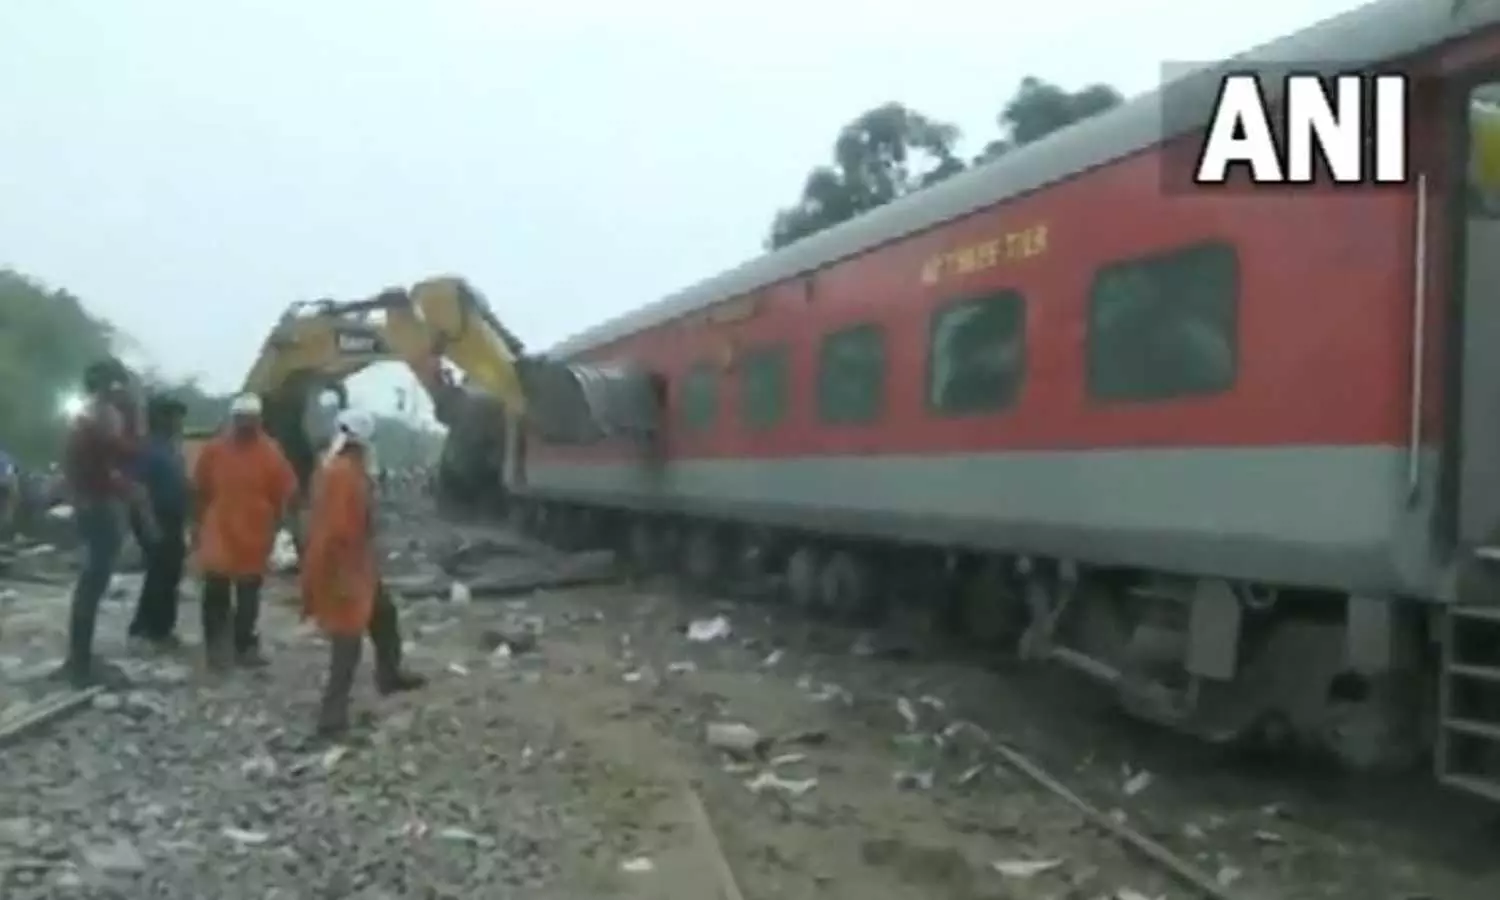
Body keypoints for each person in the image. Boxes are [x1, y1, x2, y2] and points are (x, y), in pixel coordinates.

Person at [302, 408, 425, 738]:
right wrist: (344, 577)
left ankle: (389, 673)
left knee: (383, 613)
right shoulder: (345, 475)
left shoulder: (338, 470)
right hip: (343, 566)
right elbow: (342, 532)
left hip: (352, 563)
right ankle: (331, 717)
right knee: (347, 640)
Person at [58, 358, 156, 687]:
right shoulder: (99, 416)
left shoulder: (86, 415)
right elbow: (125, 453)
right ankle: (80, 662)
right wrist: (138, 417)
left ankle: (79, 657)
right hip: (97, 505)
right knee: (92, 583)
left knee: (90, 583)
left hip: (88, 503)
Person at [192, 393, 297, 670]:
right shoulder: (214, 450)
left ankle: (245, 646)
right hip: (221, 532)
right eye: (241, 419)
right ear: (233, 419)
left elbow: (284, 493)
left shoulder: (271, 452)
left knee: (248, 594)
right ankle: (216, 649)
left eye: (250, 420)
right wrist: (197, 526)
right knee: (216, 591)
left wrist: (280, 527)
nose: (246, 425)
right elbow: (200, 489)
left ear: (259, 420)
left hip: (254, 534)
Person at [127, 395, 189, 651]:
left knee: (167, 572)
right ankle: (152, 630)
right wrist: (149, 523)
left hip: (172, 518)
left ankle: (155, 626)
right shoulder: (148, 449)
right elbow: (138, 488)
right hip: (155, 515)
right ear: (160, 418)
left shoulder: (171, 448)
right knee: (161, 572)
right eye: (173, 416)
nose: (178, 421)